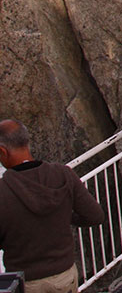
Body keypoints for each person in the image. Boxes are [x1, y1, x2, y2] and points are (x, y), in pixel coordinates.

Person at [0, 119, 104, 293]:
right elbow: (95, 216)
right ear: (27, 141)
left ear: (3, 151)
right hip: (64, 276)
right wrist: (63, 215)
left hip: (27, 282)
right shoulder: (63, 174)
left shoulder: (3, 191)